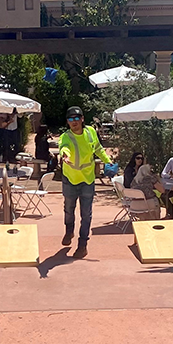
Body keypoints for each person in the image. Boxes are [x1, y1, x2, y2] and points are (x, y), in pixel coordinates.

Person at [57, 106, 112, 258]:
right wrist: (65, 156)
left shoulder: (90, 132)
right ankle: (69, 231)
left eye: (76, 118)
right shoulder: (65, 136)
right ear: (67, 122)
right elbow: (64, 147)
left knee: (86, 214)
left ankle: (82, 245)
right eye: (70, 119)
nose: (74, 122)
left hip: (87, 179)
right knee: (69, 209)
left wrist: (108, 161)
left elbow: (98, 148)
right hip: (71, 179)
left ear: (82, 119)